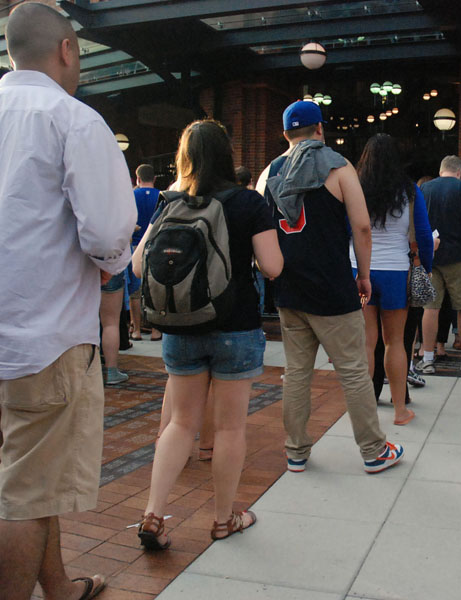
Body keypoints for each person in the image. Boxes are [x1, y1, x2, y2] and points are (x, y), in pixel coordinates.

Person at [0, 4, 137, 599]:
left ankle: (59, 587)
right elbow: (108, 237)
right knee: (24, 492)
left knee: (30, 477)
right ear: (66, 50)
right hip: (43, 337)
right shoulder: (73, 119)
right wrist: (111, 269)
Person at [132, 119, 283, 548]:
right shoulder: (248, 203)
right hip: (235, 327)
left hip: (181, 326)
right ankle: (223, 519)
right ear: (227, 154)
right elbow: (272, 267)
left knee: (180, 423)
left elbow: (139, 267)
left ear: (186, 157)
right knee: (231, 429)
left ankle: (152, 514)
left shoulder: (172, 201)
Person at [257, 100, 403, 474]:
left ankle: (296, 451)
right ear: (320, 129)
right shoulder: (339, 167)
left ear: (285, 134)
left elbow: (259, 233)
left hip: (289, 290)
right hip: (334, 287)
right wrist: (364, 274)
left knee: (297, 373)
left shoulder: (268, 172)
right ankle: (373, 450)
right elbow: (362, 226)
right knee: (353, 370)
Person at [352, 134, 433, 425]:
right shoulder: (409, 190)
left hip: (359, 269)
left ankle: (364, 412)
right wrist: (427, 266)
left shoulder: (355, 187)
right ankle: (400, 410)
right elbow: (423, 233)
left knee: (365, 343)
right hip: (397, 270)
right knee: (395, 342)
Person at [417, 156, 461, 373]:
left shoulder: (425, 189)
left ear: (441, 169)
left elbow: (416, 223)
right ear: (459, 172)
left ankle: (427, 358)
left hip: (431, 257)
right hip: (459, 257)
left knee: (431, 308)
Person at [129, 164, 160, 341]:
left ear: (138, 178)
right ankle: (156, 330)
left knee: (135, 290)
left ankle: (136, 330)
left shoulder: (131, 195)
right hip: (155, 245)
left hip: (134, 246)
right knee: (155, 288)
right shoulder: (161, 196)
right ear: (154, 178)